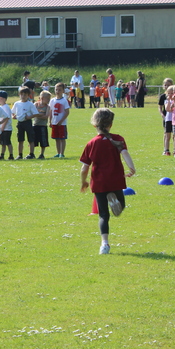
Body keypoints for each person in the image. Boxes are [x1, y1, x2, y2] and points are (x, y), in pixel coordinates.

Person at [80, 108, 136, 255]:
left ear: (94, 124)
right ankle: (115, 202)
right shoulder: (118, 139)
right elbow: (125, 153)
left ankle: (104, 244)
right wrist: (131, 168)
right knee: (121, 205)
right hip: (115, 178)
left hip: (99, 182)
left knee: (103, 215)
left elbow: (84, 168)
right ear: (111, 124)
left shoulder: (92, 143)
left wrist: (83, 182)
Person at [12, 87, 41, 159]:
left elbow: (36, 113)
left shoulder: (30, 104)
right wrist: (13, 116)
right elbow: (12, 112)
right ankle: (20, 154)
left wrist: (29, 117)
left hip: (27, 122)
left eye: (25, 95)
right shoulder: (17, 103)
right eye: (21, 94)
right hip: (20, 123)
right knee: (20, 139)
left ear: (28, 95)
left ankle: (31, 154)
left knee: (30, 139)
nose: (23, 96)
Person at [50, 82, 70, 158]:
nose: (57, 91)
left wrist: (61, 121)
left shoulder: (64, 101)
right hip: (54, 122)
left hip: (62, 123)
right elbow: (50, 111)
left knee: (62, 138)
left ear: (63, 91)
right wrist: (50, 121)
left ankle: (62, 153)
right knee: (56, 138)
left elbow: (67, 112)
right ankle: (58, 153)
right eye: (56, 90)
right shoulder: (52, 100)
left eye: (59, 90)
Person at [33, 90, 52, 159]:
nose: (48, 100)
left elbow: (46, 116)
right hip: (35, 125)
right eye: (47, 99)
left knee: (43, 141)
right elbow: (33, 113)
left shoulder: (48, 107)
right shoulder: (36, 104)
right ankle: (32, 153)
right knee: (33, 140)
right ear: (42, 98)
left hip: (43, 126)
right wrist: (41, 115)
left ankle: (42, 154)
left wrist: (38, 115)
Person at [0, 90, 14, 160]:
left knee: (7, 142)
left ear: (3, 99)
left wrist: (2, 127)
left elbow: (7, 118)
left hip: (7, 128)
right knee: (2, 143)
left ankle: (11, 155)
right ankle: (2, 155)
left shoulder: (6, 107)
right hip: (1, 128)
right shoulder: (1, 107)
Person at [159, 79, 174, 155]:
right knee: (166, 133)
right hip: (166, 117)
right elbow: (160, 107)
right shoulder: (163, 96)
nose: (166, 86)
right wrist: (162, 114)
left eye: (168, 85)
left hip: (174, 117)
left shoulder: (174, 96)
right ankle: (166, 149)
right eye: (165, 85)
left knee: (174, 134)